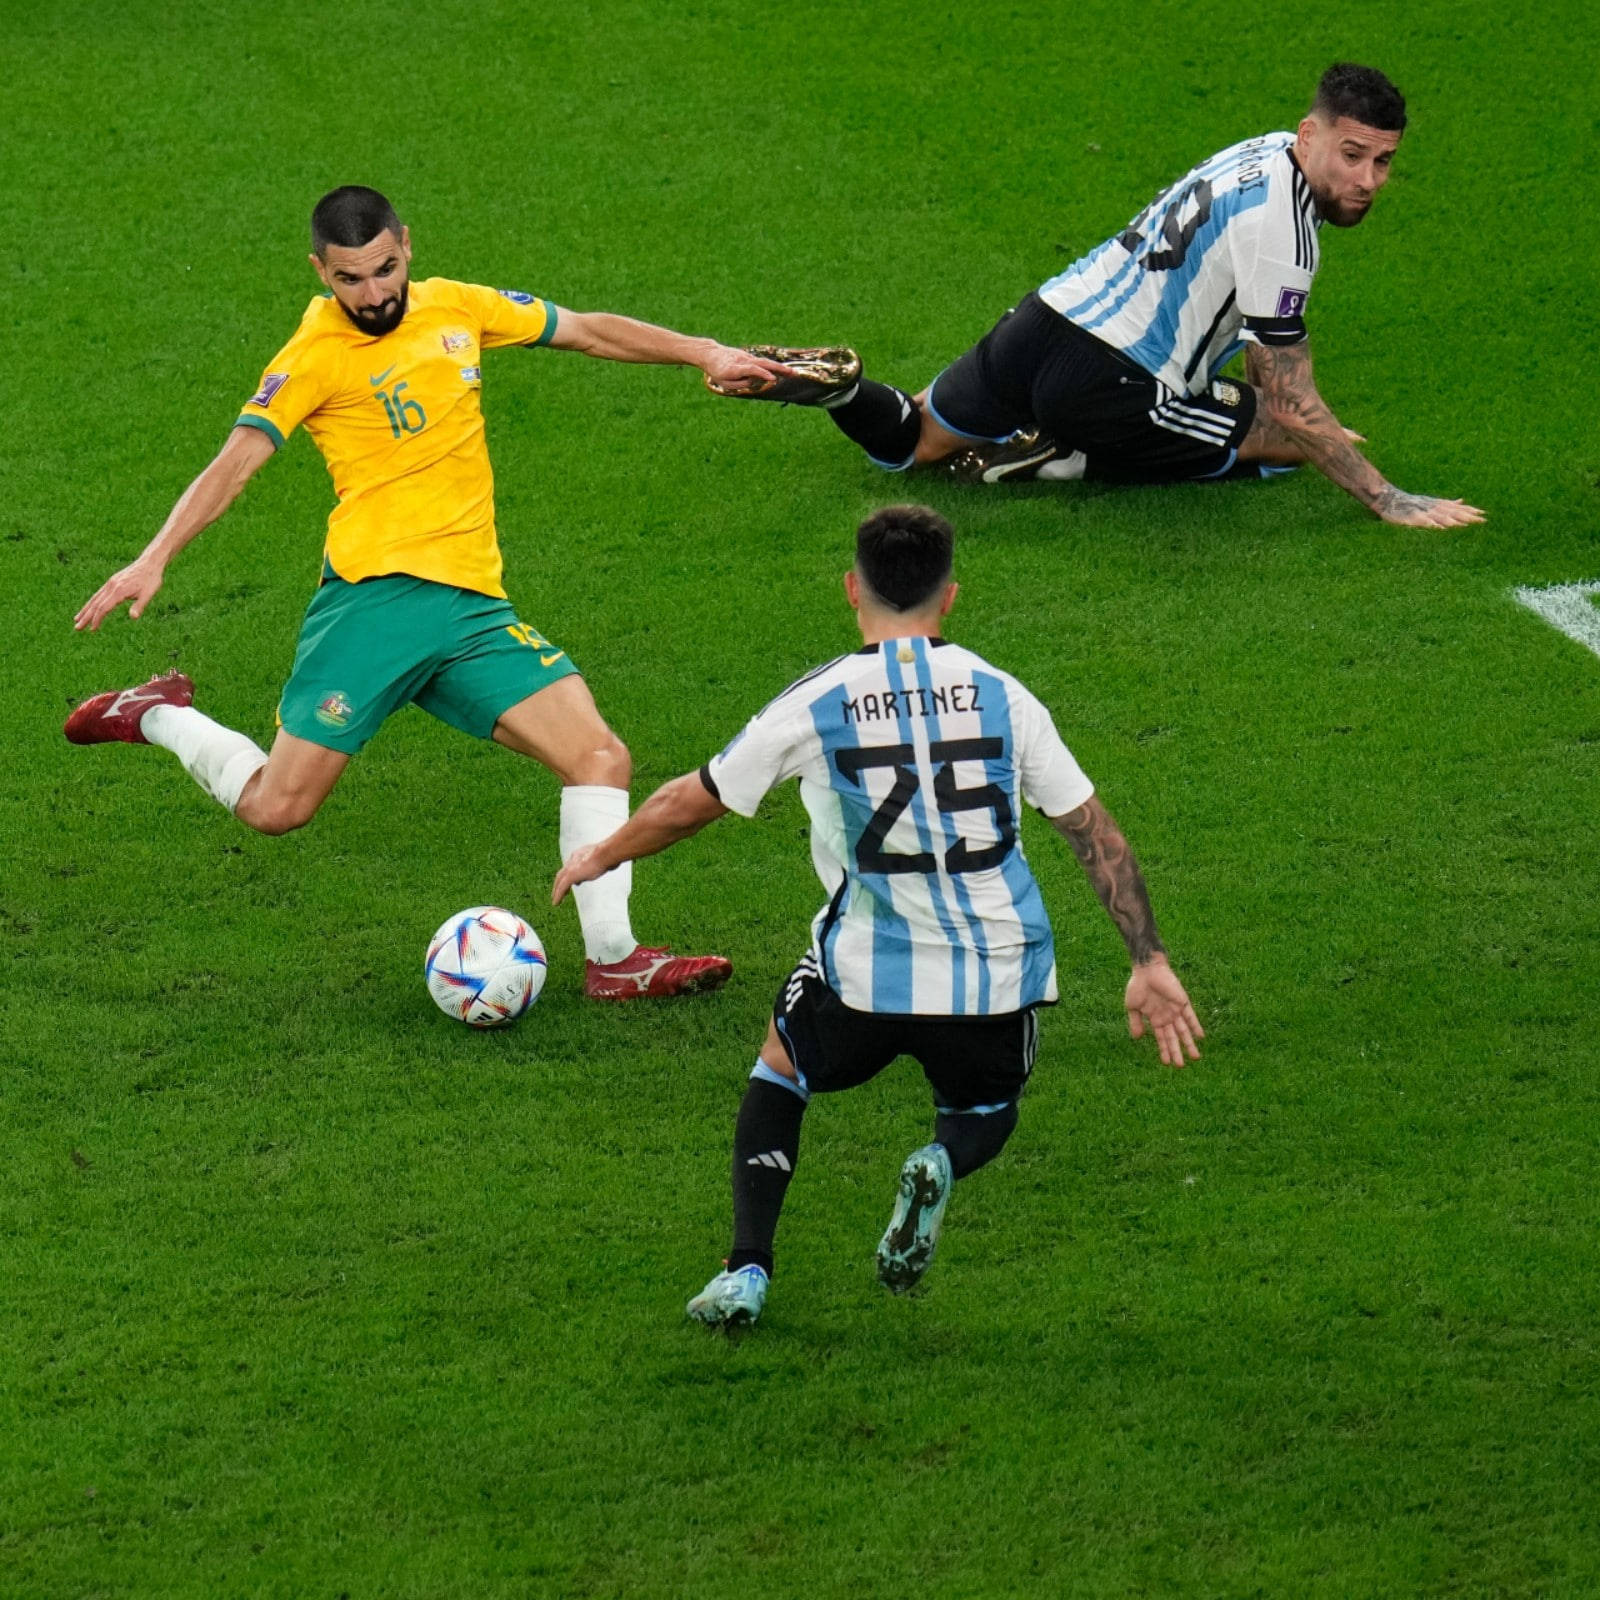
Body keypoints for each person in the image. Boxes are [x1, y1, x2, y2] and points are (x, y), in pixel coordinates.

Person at [65, 185, 798, 1000]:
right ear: (320, 272)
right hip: (374, 604)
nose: (373, 294)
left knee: (598, 755)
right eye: (350, 280)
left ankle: (615, 960)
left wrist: (705, 351)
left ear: (406, 246)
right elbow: (237, 458)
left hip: (473, 610)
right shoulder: (311, 355)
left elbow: (586, 330)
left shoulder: (458, 307)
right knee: (278, 809)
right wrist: (155, 556)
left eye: (384, 270)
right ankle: (156, 711)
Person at [552, 504, 1203, 1327]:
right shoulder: (1006, 697)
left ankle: (747, 1268)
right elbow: (1091, 833)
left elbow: (695, 800)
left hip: (864, 976)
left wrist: (603, 854)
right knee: (984, 1111)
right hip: (997, 975)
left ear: (852, 589)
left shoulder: (822, 699)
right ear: (951, 595)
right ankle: (939, 1159)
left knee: (781, 1067)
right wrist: (1147, 959)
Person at [710, 65, 1484, 531]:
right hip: (1114, 381)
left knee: (912, 442)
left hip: (1046, 318)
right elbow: (1290, 405)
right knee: (1301, 447)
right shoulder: (1285, 230)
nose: (1367, 181)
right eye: (1353, 157)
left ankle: (842, 391)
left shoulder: (1260, 151)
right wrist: (1388, 500)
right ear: (1311, 136)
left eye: (1383, 162)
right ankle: (1062, 456)